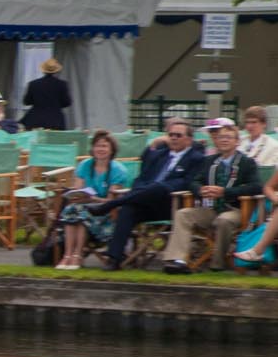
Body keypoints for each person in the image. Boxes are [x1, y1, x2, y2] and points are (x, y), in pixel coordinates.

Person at [103, 118, 206, 269]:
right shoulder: (158, 155)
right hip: (147, 203)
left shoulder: (197, 159)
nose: (173, 138)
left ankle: (111, 204)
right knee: (127, 210)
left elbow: (188, 183)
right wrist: (143, 190)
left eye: (178, 135)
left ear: (189, 140)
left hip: (172, 205)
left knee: (159, 187)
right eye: (171, 135)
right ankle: (114, 259)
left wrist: (157, 188)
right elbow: (140, 179)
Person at [162, 119, 260, 273]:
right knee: (183, 214)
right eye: (221, 138)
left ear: (237, 142)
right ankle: (177, 261)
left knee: (224, 220)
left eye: (229, 137)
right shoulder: (209, 161)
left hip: (235, 209)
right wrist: (200, 190)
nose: (224, 140)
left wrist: (225, 192)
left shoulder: (247, 163)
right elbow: (194, 182)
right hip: (211, 208)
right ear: (216, 141)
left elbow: (255, 187)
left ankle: (218, 264)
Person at [52, 130, 131, 270]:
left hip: (105, 212)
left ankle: (77, 255)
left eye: (104, 146)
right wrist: (78, 196)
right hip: (82, 206)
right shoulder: (84, 165)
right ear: (92, 148)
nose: (100, 149)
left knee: (81, 214)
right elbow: (77, 191)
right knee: (72, 209)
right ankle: (68, 255)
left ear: (112, 149)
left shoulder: (118, 170)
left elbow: (111, 201)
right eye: (97, 146)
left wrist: (93, 199)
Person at [21, 59, 71, 130]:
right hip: (55, 120)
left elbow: (26, 102)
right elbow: (67, 102)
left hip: (35, 119)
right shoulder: (62, 84)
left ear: (43, 70)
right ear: (56, 71)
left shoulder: (33, 84)